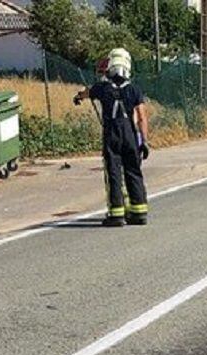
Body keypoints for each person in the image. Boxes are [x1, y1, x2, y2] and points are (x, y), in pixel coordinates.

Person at [74, 48, 149, 227]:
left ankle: (116, 214)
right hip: (130, 135)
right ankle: (139, 212)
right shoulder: (134, 90)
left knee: (114, 172)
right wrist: (144, 141)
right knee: (133, 170)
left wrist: (78, 96)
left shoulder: (102, 88)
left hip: (112, 135)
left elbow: (87, 92)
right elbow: (141, 116)